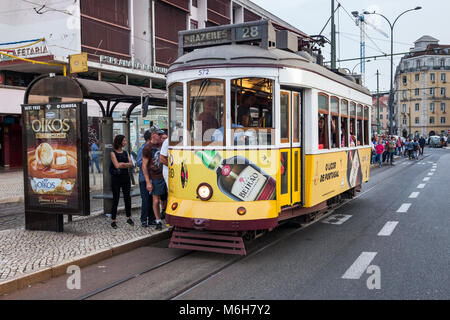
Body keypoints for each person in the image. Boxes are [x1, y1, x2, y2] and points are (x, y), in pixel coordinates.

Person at [142, 126, 166, 231]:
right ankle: (158, 221)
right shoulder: (147, 148)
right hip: (155, 176)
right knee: (156, 200)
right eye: (159, 134)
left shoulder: (163, 144)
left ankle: (164, 214)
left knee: (165, 198)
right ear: (153, 135)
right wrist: (148, 182)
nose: (161, 136)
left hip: (166, 174)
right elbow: (144, 165)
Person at [109, 135, 134, 229]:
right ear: (119, 142)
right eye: (124, 140)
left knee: (127, 198)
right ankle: (113, 220)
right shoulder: (112, 153)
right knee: (116, 199)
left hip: (125, 177)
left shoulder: (126, 152)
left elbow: (131, 164)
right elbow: (117, 166)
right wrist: (125, 164)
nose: (125, 142)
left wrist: (122, 164)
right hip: (116, 178)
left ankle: (129, 217)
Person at [137, 130, 156, 228]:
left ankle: (151, 219)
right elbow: (139, 162)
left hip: (152, 177)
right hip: (144, 178)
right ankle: (144, 220)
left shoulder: (153, 148)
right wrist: (150, 164)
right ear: (150, 138)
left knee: (152, 200)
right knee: (145, 200)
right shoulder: (143, 148)